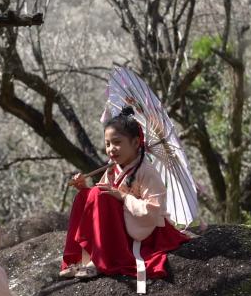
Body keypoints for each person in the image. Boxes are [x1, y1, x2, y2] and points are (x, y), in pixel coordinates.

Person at [60, 106, 189, 280]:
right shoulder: (113, 167)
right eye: (107, 144)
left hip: (145, 230)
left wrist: (123, 197)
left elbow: (152, 211)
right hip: (123, 224)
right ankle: (80, 259)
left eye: (117, 142)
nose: (111, 149)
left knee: (99, 193)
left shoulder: (147, 171)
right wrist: (84, 188)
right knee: (86, 195)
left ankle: (100, 260)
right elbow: (99, 198)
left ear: (136, 143)